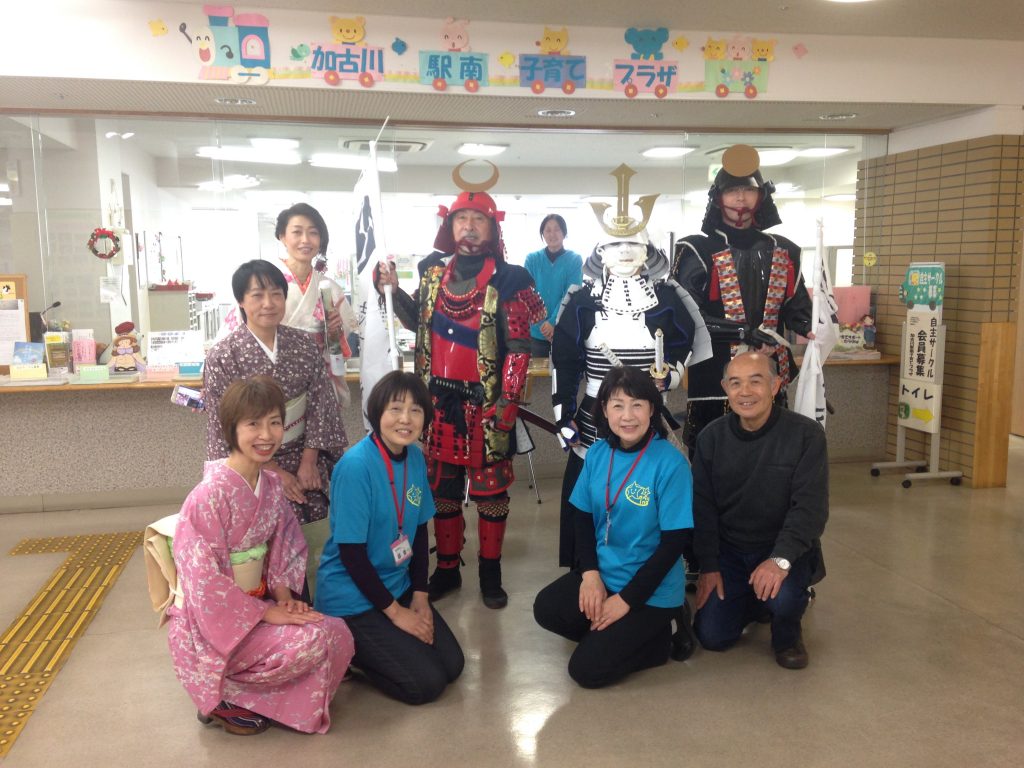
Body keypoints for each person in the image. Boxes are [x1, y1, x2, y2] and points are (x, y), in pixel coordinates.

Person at [376, 166, 546, 609]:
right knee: (443, 494)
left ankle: (491, 574)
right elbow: (418, 325)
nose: (469, 227)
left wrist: (507, 405)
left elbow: (520, 349)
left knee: (491, 495)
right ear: (449, 226)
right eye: (461, 219)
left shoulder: (510, 279)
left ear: (492, 227)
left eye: (478, 219)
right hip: (436, 405)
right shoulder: (432, 274)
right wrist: (392, 291)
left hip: (486, 408)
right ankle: (447, 569)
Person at [167, 376, 354, 735]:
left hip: (259, 606)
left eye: (275, 422)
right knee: (312, 641)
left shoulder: (270, 486)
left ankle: (247, 696)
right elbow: (203, 581)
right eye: (253, 424)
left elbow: (284, 545)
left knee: (337, 633)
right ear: (231, 429)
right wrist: (267, 612)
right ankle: (219, 694)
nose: (266, 435)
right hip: (214, 624)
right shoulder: (207, 497)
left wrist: (284, 599)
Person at [551, 198, 700, 569]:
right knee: (588, 503)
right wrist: (563, 418)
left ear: (647, 249)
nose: (624, 251)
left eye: (632, 243)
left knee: (650, 497)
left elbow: (683, 348)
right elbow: (564, 364)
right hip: (592, 420)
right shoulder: (581, 301)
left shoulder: (668, 299)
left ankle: (652, 572)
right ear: (600, 251)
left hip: (648, 415)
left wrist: (670, 376)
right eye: (615, 243)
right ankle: (586, 573)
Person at [534, 366, 696, 689]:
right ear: (604, 410)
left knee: (586, 670)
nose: (628, 416)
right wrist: (590, 575)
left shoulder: (670, 463)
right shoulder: (597, 453)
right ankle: (618, 636)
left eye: (637, 405)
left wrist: (625, 601)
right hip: (606, 576)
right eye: (618, 405)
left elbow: (674, 544)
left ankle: (663, 634)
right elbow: (581, 517)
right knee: (546, 608)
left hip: (651, 591)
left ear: (652, 409)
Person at [315, 371, 464, 704]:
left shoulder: (415, 457)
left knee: (452, 666)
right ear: (377, 412)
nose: (405, 419)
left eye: (415, 410)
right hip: (351, 598)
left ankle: (383, 644)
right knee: (426, 685)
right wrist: (397, 614)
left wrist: (421, 596)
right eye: (396, 409)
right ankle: (350, 653)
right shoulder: (355, 467)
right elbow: (352, 555)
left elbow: (420, 530)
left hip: (397, 584)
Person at [204, 260, 348, 588]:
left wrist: (310, 461)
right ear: (241, 301)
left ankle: (320, 588)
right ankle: (275, 595)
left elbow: (321, 404)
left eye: (276, 294)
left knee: (320, 502)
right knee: (272, 514)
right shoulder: (223, 356)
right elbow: (221, 424)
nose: (268, 303)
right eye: (257, 295)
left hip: (305, 452)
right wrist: (272, 471)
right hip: (251, 462)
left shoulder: (304, 346)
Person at [691, 351, 828, 670]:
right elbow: (702, 507)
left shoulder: (806, 435)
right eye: (735, 383)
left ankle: (788, 631)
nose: (745, 392)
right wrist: (708, 566)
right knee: (712, 636)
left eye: (756, 381)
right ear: (725, 388)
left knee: (785, 599)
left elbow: (810, 509)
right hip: (731, 551)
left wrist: (780, 560)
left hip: (782, 549)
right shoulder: (711, 438)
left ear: (776, 385)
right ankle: (756, 601)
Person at [673, 144, 812, 453]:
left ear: (761, 196)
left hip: (769, 369)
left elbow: (797, 307)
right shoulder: (696, 249)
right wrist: (743, 332)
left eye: (748, 190)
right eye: (732, 191)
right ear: (717, 198)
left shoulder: (784, 249)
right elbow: (686, 316)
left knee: (772, 451)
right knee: (711, 453)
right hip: (714, 375)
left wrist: (814, 326)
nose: (740, 198)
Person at [219, 203, 358, 409]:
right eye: (297, 232)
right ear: (282, 237)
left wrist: (334, 333)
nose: (305, 240)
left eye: (313, 233)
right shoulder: (261, 283)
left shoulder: (331, 289)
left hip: (315, 382)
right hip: (265, 380)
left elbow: (340, 345)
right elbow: (232, 338)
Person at [524, 213, 583, 358]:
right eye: (548, 230)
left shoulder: (575, 260)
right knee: (537, 370)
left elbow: (571, 293)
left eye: (557, 229)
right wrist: (543, 325)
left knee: (564, 369)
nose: (552, 234)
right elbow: (527, 294)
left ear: (564, 232)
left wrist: (552, 322)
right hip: (537, 331)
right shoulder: (532, 259)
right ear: (543, 234)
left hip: (564, 329)